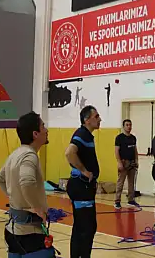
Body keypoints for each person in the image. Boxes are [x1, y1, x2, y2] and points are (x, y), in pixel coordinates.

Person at [0, 111, 54, 257]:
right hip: (29, 234)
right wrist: (36, 207)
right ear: (35, 134)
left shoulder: (15, 154)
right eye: (43, 126)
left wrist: (14, 197)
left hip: (13, 231)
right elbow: (26, 181)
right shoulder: (30, 156)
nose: (46, 130)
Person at [65, 105, 101, 258]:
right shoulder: (81, 134)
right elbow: (69, 153)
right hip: (81, 187)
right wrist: (84, 171)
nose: (99, 119)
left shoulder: (87, 135)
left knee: (83, 226)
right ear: (87, 120)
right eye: (96, 116)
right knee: (86, 227)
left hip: (85, 187)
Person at [114, 119, 139, 209]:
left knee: (131, 182)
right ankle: (117, 201)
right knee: (120, 182)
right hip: (124, 162)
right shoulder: (119, 138)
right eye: (127, 125)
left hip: (132, 162)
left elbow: (135, 150)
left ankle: (131, 200)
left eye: (130, 125)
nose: (129, 127)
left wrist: (136, 160)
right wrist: (119, 162)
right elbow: (116, 151)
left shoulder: (133, 138)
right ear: (124, 126)